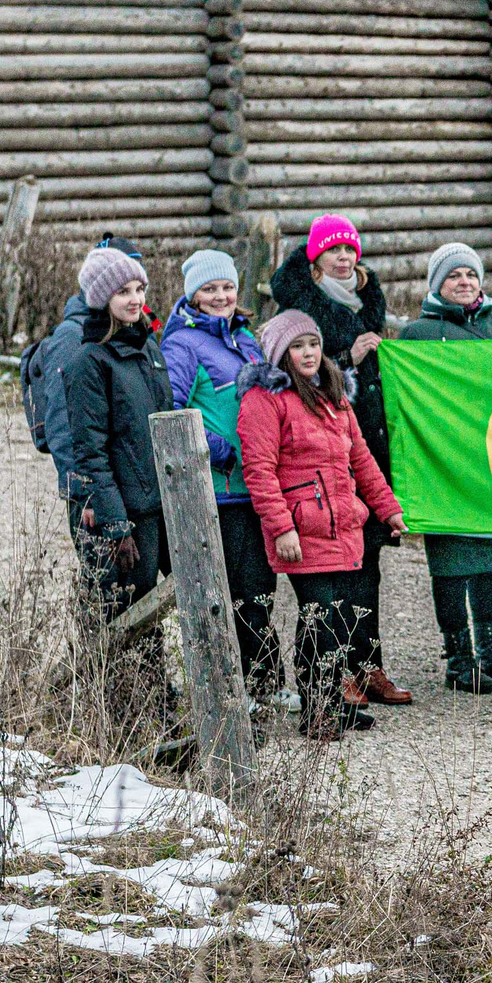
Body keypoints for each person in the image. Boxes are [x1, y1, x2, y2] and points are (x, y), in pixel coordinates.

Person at [266, 214, 412, 708]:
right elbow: (301, 374)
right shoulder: (300, 309)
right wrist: (349, 358)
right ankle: (335, 674)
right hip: (318, 469)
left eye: (350, 249)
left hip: (363, 448)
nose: (344, 258)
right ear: (316, 259)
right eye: (334, 251)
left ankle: (369, 665)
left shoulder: (368, 301)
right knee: (328, 583)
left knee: (367, 568)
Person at [238, 309, 405, 737]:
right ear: (281, 354)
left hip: (343, 525)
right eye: (298, 347)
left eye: (313, 344)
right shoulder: (264, 399)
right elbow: (259, 470)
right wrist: (282, 528)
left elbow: (361, 459)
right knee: (319, 620)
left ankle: (332, 703)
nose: (309, 353)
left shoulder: (334, 395)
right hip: (302, 528)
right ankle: (318, 714)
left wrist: (387, 508)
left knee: (340, 619)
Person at [61, 246, 182, 759]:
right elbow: (89, 450)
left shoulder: (148, 348)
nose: (135, 299)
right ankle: (125, 723)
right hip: (128, 513)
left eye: (139, 289)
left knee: (172, 608)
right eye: (123, 292)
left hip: (163, 504)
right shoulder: (89, 361)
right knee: (126, 618)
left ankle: (166, 713)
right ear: (100, 298)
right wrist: (114, 524)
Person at [401, 242, 492, 694]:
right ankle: (459, 660)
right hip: (445, 463)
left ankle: (490, 652)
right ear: (437, 284)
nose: (464, 282)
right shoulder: (417, 335)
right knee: (453, 563)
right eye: (454, 275)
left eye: (471, 274)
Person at [161, 249, 280, 699]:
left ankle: (266, 684)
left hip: (256, 486)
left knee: (260, 588)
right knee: (233, 592)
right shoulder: (182, 345)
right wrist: (222, 451)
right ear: (193, 295)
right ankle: (232, 691)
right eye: (209, 289)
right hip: (219, 488)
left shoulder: (246, 338)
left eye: (227, 287)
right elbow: (171, 412)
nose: (221, 296)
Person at [24, 235, 140, 533]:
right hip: (95, 497)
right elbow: (63, 421)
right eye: (122, 286)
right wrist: (86, 494)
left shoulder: (132, 333)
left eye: (138, 286)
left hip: (127, 488)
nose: (134, 295)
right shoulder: (72, 337)